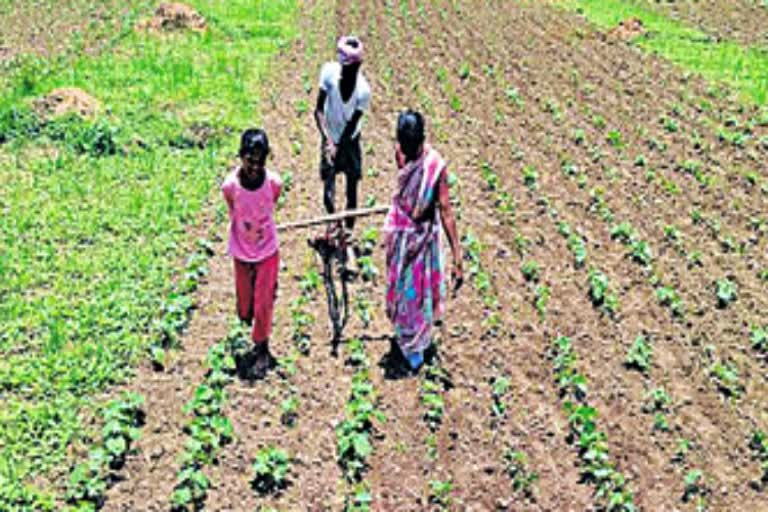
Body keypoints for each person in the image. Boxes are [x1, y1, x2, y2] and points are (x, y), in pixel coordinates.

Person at [384, 110, 463, 372]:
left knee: (417, 293)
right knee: (402, 289)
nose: (406, 151)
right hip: (401, 233)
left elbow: (445, 210)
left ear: (422, 139)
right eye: (404, 145)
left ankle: (414, 343)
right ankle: (406, 338)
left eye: (411, 145)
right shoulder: (402, 153)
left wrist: (457, 256)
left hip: (421, 238)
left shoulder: (435, 167)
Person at [222, 129, 282, 379]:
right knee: (244, 308)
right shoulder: (231, 186)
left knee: (262, 303)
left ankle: (262, 348)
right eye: (250, 160)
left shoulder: (273, 183)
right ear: (240, 157)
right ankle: (250, 318)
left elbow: (272, 202)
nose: (255, 167)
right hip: (241, 251)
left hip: (267, 251)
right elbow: (233, 209)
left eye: (260, 161)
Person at [314, 35, 371, 230]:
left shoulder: (363, 92)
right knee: (328, 189)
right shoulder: (329, 74)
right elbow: (319, 110)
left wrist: (339, 146)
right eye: (345, 68)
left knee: (352, 189)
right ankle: (334, 224)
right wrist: (329, 142)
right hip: (329, 134)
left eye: (352, 69)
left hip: (350, 139)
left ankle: (348, 231)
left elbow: (351, 125)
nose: (347, 73)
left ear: (358, 66)